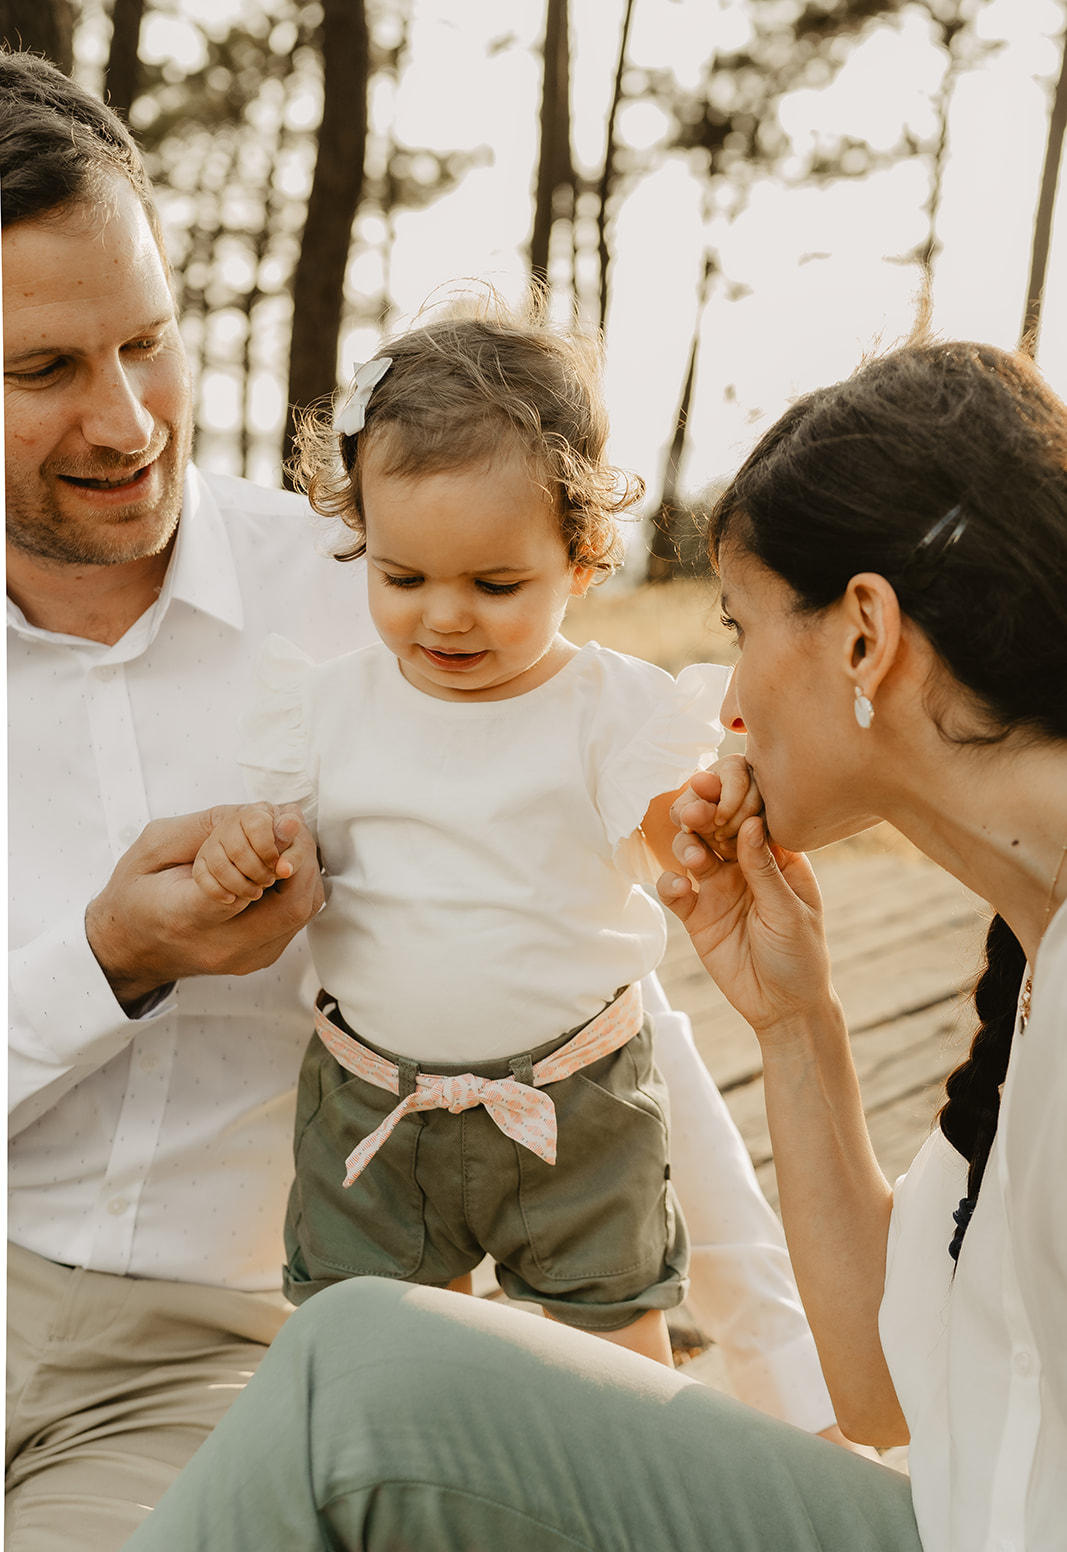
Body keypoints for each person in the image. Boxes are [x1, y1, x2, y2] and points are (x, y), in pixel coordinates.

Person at [3, 47, 840, 1551]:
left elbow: (585, 999)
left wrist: (789, 1398)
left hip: (201, 1356)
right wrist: (110, 963)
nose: (128, 424)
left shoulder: (376, 607)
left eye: (152, 342)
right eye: (42, 370)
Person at [124, 337, 1067, 1552]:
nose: (720, 704)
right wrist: (794, 1021)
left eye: (737, 626)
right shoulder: (1028, 961)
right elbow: (887, 1384)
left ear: (861, 637)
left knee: (345, 1375)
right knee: (348, 1362)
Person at [192, 311, 746, 1364]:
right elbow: (275, 856)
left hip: (574, 1105)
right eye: (401, 578)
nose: (444, 617)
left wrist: (703, 822)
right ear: (361, 537)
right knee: (379, 1360)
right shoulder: (321, 711)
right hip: (372, 1108)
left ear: (581, 561)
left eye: (495, 585)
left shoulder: (608, 712)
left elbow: (676, 836)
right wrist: (239, 857)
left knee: (616, 1348)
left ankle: (612, 1507)